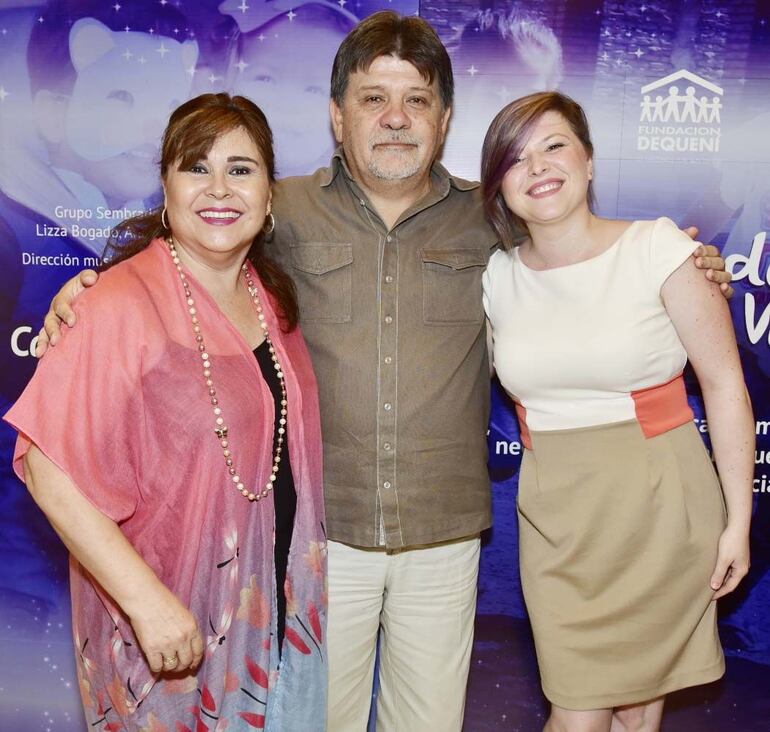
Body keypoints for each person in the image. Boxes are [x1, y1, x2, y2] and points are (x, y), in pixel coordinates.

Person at [34, 13, 733, 731]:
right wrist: (80, 296)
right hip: (320, 540)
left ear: (444, 118)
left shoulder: (492, 217)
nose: (395, 118)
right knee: (314, 720)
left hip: (444, 536)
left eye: (416, 100)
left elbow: (586, 255)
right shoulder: (279, 207)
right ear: (338, 117)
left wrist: (684, 264)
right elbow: (189, 249)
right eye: (373, 98)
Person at [4, 93, 326, 729]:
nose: (219, 188)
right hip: (164, 629)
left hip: (270, 617)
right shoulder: (115, 303)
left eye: (241, 169)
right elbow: (46, 469)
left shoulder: (270, 298)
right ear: (166, 188)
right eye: (196, 167)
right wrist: (147, 603)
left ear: (268, 197)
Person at [480, 91, 753, 732]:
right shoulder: (497, 276)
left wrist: (739, 523)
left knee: (630, 714)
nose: (538, 167)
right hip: (555, 522)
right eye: (516, 158)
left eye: (554, 145)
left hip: (660, 507)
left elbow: (724, 385)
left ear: (590, 160)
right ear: (499, 186)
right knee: (582, 707)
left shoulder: (658, 248)